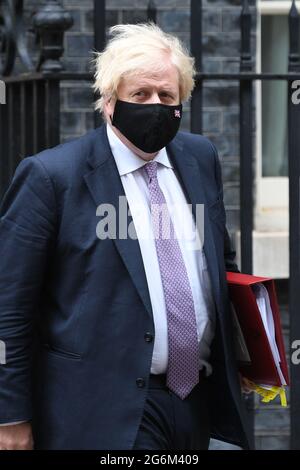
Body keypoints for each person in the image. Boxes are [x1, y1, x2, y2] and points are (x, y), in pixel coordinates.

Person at [0, 23, 253, 450]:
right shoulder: (52, 177)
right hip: (104, 408)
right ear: (110, 101)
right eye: (141, 95)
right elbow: (10, 304)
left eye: (167, 96)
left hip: (195, 399)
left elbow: (218, 265)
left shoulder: (199, 158)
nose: (156, 105)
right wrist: (10, 417)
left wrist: (249, 352)